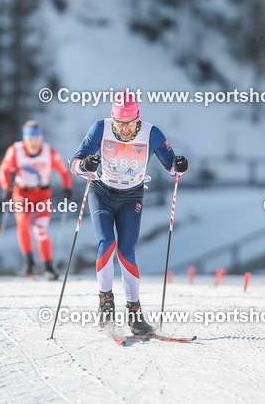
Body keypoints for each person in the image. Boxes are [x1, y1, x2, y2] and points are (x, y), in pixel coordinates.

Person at [71, 91, 188, 337]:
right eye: (120, 123)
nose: (125, 129)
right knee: (107, 243)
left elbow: (171, 167)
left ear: (138, 117)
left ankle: (135, 315)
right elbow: (76, 162)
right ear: (113, 118)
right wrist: (85, 166)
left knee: (127, 252)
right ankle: (105, 304)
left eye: (130, 122)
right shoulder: (100, 129)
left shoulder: (151, 133)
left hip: (131, 197)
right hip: (101, 192)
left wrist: (179, 167)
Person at [0, 120, 72, 280]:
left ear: (41, 139)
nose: (34, 143)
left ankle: (47, 266)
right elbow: (4, 169)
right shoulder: (15, 151)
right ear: (25, 139)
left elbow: (64, 171)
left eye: (37, 139)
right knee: (23, 222)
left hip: (42, 195)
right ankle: (28, 262)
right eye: (30, 139)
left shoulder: (49, 152)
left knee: (41, 229)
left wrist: (67, 187)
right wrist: (6, 187)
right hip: (21, 193)